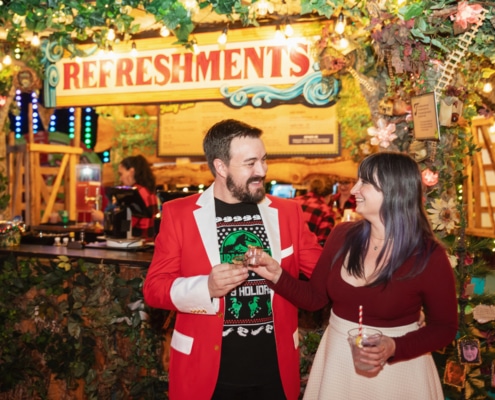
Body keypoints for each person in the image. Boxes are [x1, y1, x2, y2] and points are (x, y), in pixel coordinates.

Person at [251, 152, 458, 399]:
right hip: (338, 362)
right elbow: (315, 298)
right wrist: (276, 275)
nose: (354, 190)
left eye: (365, 183)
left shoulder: (427, 255)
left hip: (398, 372)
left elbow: (444, 327)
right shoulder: (342, 235)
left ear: (394, 191)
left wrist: (394, 346)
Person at [143, 119, 322, 400]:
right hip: (206, 374)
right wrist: (207, 288)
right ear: (221, 166)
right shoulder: (178, 214)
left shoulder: (288, 213)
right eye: (250, 163)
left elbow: (327, 274)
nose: (261, 171)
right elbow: (154, 289)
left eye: (263, 160)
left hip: (274, 370)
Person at [92, 154, 158, 239]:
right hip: (148, 242)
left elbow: (127, 224)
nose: (120, 179)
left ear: (131, 172)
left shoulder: (134, 193)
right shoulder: (148, 191)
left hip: (136, 243)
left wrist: (103, 218)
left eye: (121, 174)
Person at [293, 175, 336, 246]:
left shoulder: (293, 201)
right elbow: (322, 244)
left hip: (284, 251)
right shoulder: (326, 212)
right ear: (329, 196)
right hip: (307, 253)